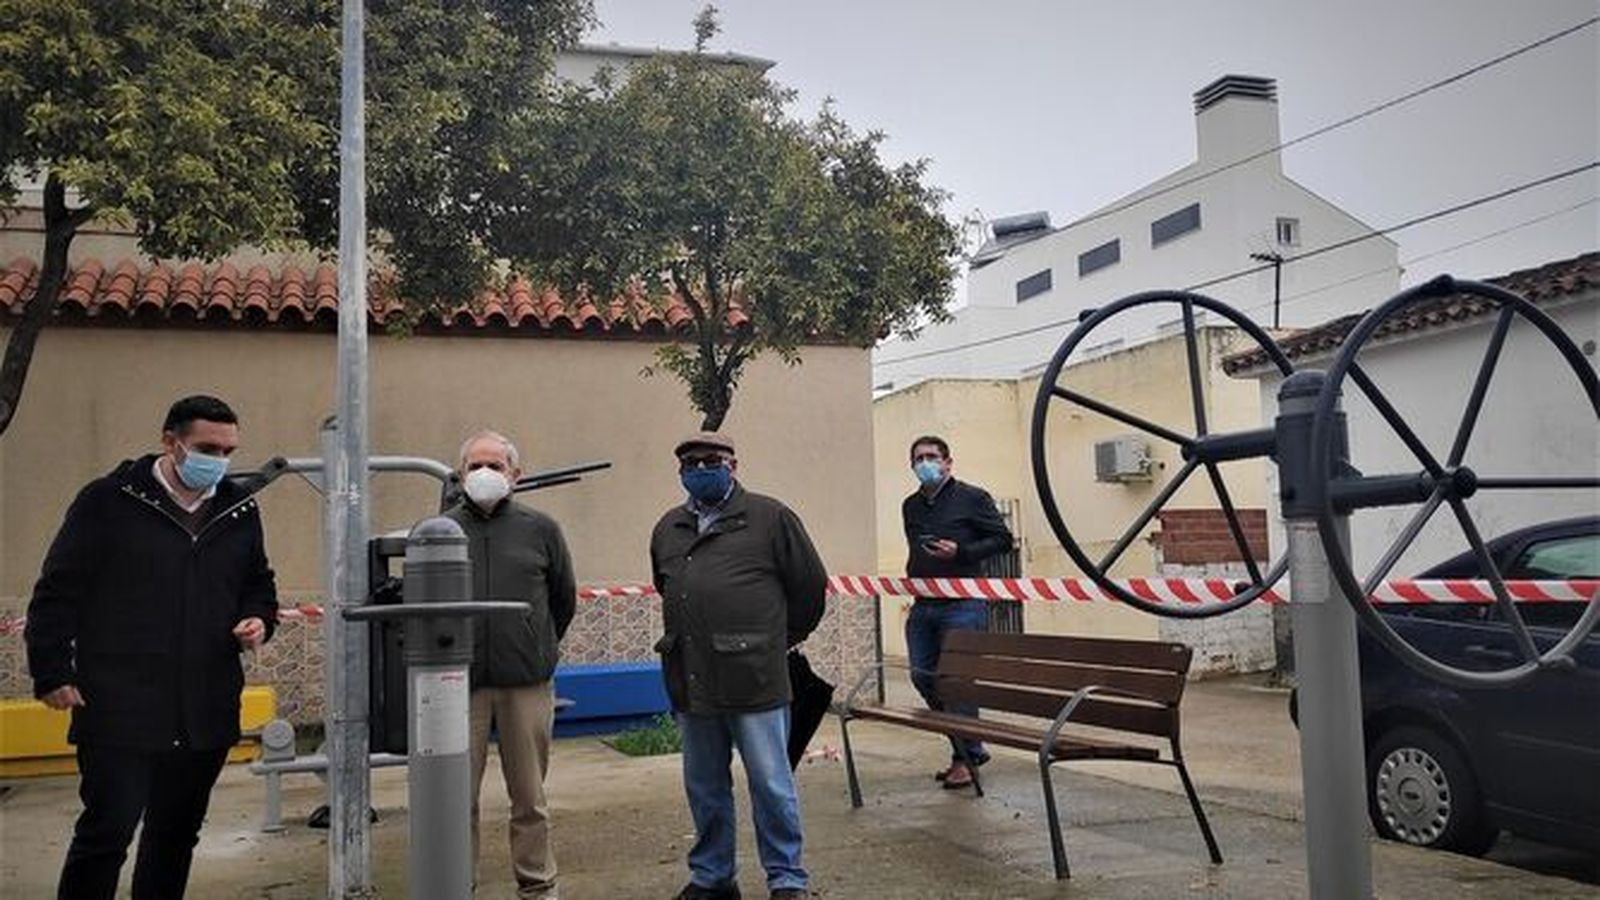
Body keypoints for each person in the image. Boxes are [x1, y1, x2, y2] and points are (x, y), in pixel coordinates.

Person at [25, 395, 278, 900]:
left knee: (175, 837)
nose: (220, 461)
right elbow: (58, 589)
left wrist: (258, 619)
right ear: (171, 441)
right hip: (121, 705)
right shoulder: (108, 501)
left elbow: (258, 582)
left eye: (229, 450)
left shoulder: (238, 508)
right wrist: (51, 671)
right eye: (208, 447)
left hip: (204, 704)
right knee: (106, 834)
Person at [650, 433, 827, 900]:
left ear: (733, 464)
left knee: (771, 782)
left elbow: (810, 589)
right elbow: (664, 583)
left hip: (755, 677)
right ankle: (713, 877)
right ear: (680, 471)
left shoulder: (771, 517)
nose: (701, 467)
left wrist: (775, 642)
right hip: (691, 678)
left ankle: (786, 878)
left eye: (712, 459)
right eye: (691, 461)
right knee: (704, 785)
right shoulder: (669, 526)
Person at [447, 429, 576, 900]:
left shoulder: (541, 530)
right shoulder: (440, 530)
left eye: (495, 466)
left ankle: (537, 885)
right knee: (456, 798)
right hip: (458, 685)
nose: (484, 474)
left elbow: (562, 600)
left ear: (515, 475)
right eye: (474, 466)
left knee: (529, 799)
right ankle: (455, 883)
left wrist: (534, 648)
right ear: (460, 475)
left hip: (526, 684)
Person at [901, 434, 1013, 790]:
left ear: (948, 462)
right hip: (924, 604)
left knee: (957, 681)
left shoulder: (973, 498)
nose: (925, 463)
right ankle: (968, 748)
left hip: (963, 603)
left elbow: (1002, 540)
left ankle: (966, 757)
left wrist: (961, 552)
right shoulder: (911, 506)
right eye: (918, 458)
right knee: (923, 676)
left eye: (932, 456)